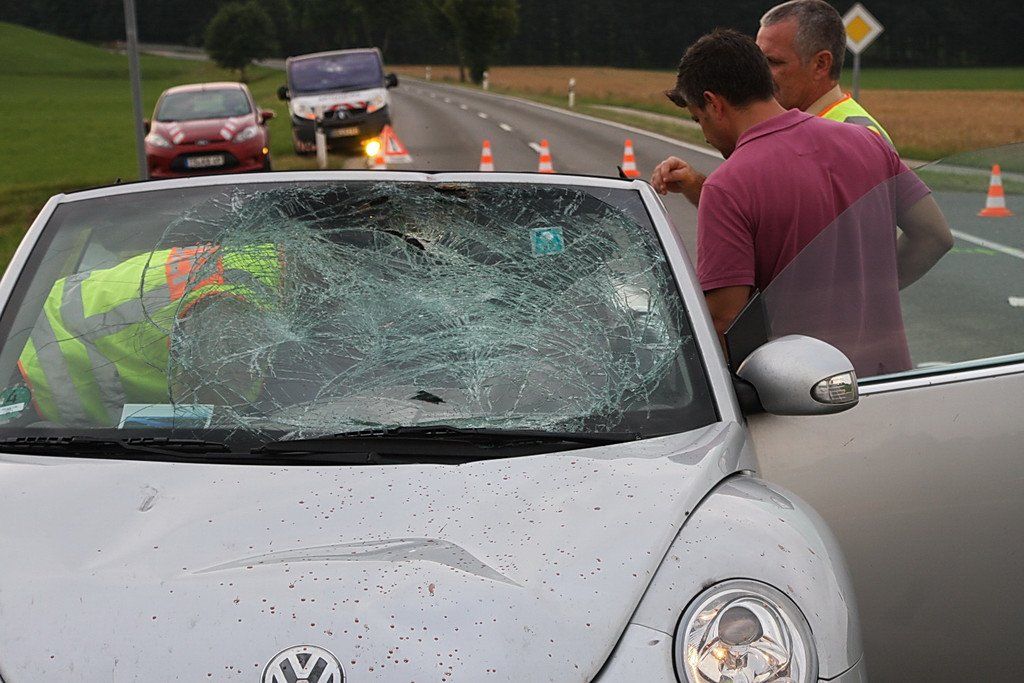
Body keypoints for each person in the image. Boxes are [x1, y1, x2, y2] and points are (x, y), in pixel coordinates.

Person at [651, 29, 952, 376]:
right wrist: (868, 293)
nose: (704, 134)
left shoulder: (728, 184)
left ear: (714, 103)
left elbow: (723, 319)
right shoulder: (868, 142)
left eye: (698, 118)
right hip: (891, 381)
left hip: (801, 390)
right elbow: (935, 236)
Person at [656, 0, 893, 207]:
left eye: (773, 62)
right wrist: (695, 185)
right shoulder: (791, 127)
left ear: (821, 64)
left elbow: (849, 233)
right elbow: (764, 216)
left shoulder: (856, 135)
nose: (759, 73)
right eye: (758, 61)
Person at [17, 243, 281, 427]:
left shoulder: (251, 259)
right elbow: (204, 420)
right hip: (34, 376)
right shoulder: (232, 305)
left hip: (28, 318)